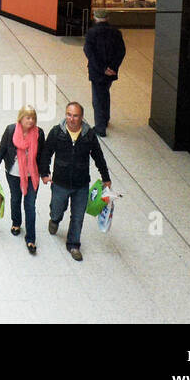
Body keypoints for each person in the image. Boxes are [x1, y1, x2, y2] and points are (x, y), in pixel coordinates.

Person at [40, 101, 111, 261]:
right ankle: (55, 219)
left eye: (75, 116)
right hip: (60, 183)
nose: (71, 119)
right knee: (57, 208)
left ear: (81, 117)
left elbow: (98, 156)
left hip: (81, 184)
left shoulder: (89, 135)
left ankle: (73, 244)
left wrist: (106, 177)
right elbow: (46, 153)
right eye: (69, 115)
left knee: (78, 216)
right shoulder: (57, 132)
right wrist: (44, 173)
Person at [0, 105, 45, 254]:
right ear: (21, 118)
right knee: (15, 199)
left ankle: (31, 239)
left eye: (33, 118)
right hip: (14, 174)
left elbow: (43, 155)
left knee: (30, 206)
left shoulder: (39, 133)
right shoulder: (10, 131)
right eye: (28, 117)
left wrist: (44, 173)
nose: (31, 120)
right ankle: (16, 222)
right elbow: (1, 151)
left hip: (32, 176)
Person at [84, 9, 125, 136]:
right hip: (111, 72)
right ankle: (106, 119)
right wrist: (112, 67)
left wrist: (102, 68)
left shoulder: (92, 33)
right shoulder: (116, 32)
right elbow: (121, 51)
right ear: (107, 18)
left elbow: (90, 53)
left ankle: (100, 128)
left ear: (95, 18)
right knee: (105, 93)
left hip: (97, 71)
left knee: (97, 98)